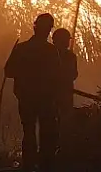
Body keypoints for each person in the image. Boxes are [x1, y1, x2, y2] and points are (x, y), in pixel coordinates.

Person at [5, 13, 61, 172]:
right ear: (48, 29)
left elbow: (8, 71)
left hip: (27, 99)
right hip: (45, 100)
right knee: (45, 133)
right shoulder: (51, 51)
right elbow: (58, 76)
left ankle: (29, 165)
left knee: (29, 132)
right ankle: (44, 166)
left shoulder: (22, 48)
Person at [51, 28, 78, 140]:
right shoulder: (50, 55)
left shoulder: (71, 56)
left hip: (66, 95)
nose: (68, 43)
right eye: (66, 40)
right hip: (52, 96)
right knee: (52, 124)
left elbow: (74, 75)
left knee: (65, 123)